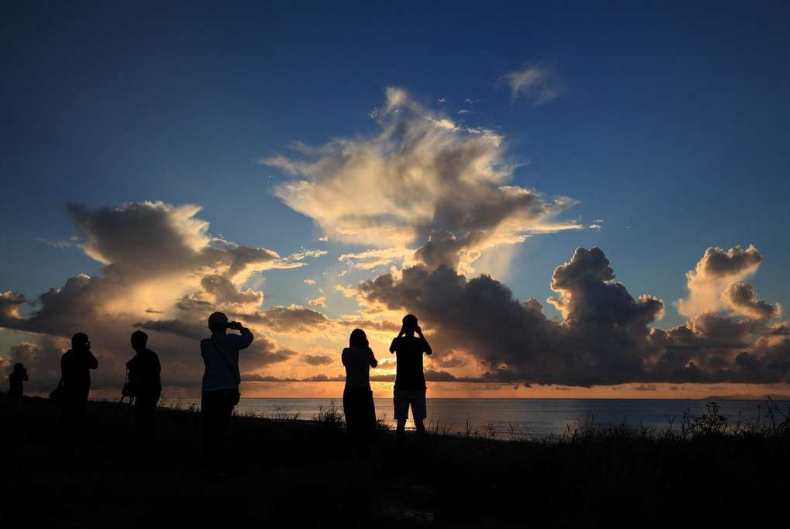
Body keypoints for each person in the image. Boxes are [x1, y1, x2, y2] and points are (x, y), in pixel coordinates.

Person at [200, 311, 253, 473]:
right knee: (222, 426)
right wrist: (240, 328)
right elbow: (248, 338)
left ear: (210, 327)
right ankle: (220, 462)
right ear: (225, 325)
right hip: (227, 390)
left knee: (209, 427)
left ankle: (208, 461)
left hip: (208, 391)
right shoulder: (232, 341)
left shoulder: (204, 344)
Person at [390, 314, 432, 444]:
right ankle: (421, 448)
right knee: (419, 422)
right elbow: (429, 351)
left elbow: (392, 349)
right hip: (417, 387)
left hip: (402, 386)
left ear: (403, 325)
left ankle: (400, 449)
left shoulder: (398, 341)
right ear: (415, 326)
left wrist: (401, 332)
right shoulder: (419, 342)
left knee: (401, 422)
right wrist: (420, 333)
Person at [342, 329, 378, 457]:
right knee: (367, 423)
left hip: (350, 391)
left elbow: (346, 364)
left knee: (351, 423)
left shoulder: (346, 352)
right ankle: (367, 452)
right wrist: (367, 347)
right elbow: (374, 364)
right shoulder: (367, 352)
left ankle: (353, 453)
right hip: (364, 391)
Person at [60, 332, 99, 450]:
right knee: (78, 418)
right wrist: (86, 351)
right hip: (79, 393)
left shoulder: (66, 356)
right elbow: (95, 364)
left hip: (69, 391)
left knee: (68, 419)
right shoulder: (82, 355)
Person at [124, 330, 162, 448]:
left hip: (147, 392)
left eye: (133, 340)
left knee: (143, 419)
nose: (132, 342)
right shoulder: (149, 355)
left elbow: (147, 375)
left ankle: (144, 444)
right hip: (150, 391)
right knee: (146, 418)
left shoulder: (142, 357)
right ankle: (146, 443)